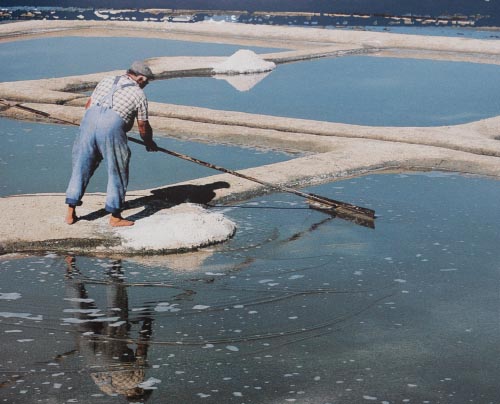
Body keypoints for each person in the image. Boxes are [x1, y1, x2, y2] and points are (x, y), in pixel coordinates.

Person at [65, 61, 158, 227]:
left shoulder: (107, 80)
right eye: (147, 82)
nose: (146, 85)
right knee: (117, 170)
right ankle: (115, 216)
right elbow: (143, 126)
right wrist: (149, 143)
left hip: (89, 122)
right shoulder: (138, 94)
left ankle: (70, 213)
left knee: (81, 166)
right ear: (141, 78)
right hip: (111, 128)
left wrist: (92, 126)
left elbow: (89, 104)